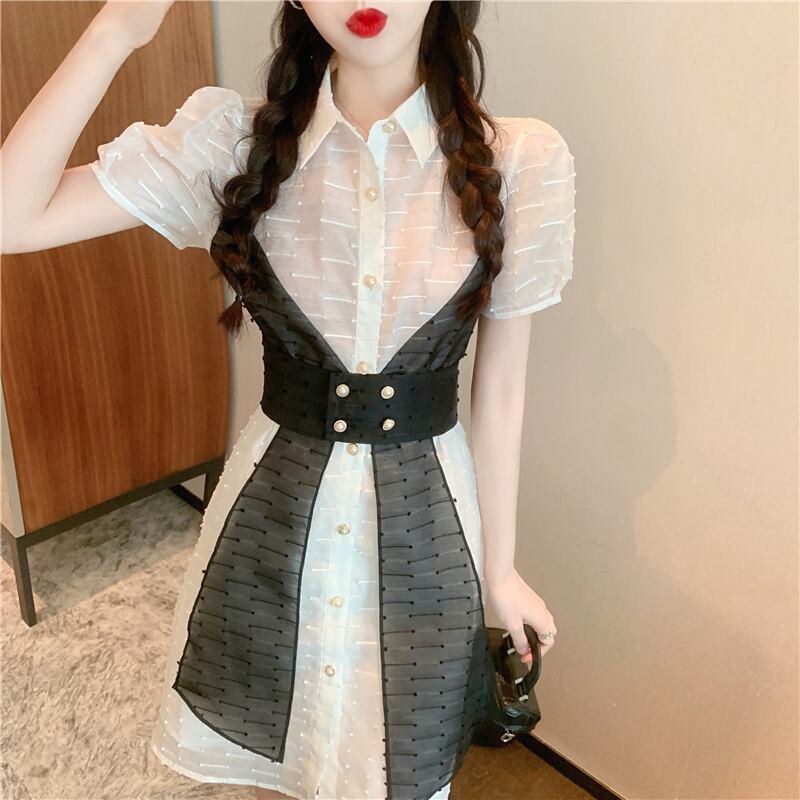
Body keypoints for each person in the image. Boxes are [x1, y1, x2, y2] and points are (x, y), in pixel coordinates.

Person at [1, 1, 574, 798]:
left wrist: (499, 570)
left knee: (394, 761)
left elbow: (501, 392)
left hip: (430, 543)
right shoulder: (231, 144)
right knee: (280, 754)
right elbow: (11, 217)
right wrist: (116, 32)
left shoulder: (525, 161)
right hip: (266, 533)